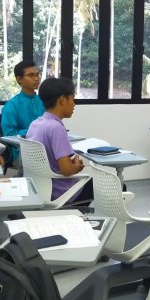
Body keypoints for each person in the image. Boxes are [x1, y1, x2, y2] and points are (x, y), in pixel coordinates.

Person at [26, 77, 93, 205]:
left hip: (39, 189)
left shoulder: (35, 124)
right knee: (119, 188)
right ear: (62, 99)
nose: (74, 104)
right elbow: (66, 170)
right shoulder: (56, 128)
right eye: (72, 99)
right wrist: (77, 166)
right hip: (60, 193)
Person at [1, 60, 44, 138]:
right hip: (23, 148)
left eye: (37, 74)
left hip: (46, 145)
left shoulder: (44, 101)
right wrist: (35, 131)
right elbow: (9, 135)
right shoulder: (11, 105)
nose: (36, 78)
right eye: (31, 75)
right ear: (19, 79)